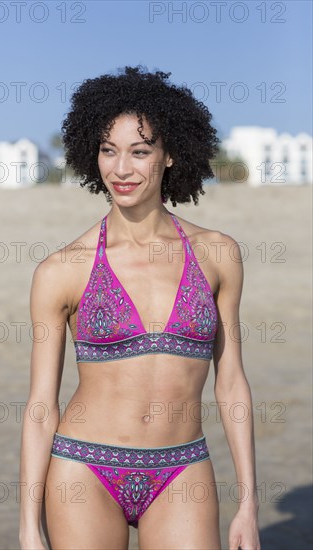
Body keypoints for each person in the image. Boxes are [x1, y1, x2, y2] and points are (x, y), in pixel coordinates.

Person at [19, 66, 261, 550]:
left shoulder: (217, 255)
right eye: (108, 150)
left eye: (139, 151)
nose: (121, 169)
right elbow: (42, 406)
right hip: (83, 468)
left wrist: (249, 504)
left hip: (182, 469)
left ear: (170, 155)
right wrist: (28, 527)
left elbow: (231, 381)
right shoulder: (61, 270)